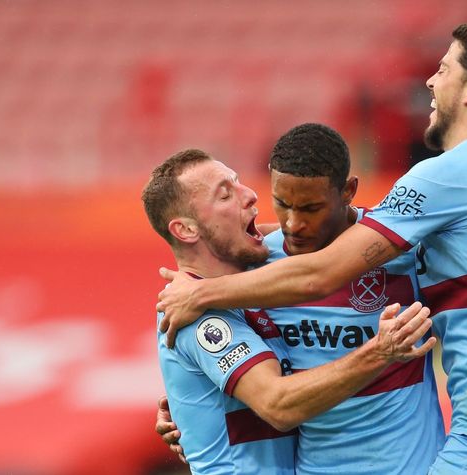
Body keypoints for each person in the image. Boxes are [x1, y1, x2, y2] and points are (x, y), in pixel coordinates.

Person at [157, 20, 467, 474]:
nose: (430, 81)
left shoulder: (452, 172)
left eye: (443, 69)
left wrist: (198, 293)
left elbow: (322, 271)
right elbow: (331, 236)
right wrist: (201, 410)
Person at [156, 124, 445, 474]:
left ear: (348, 191)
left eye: (310, 208)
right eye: (281, 204)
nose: (293, 225)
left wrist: (190, 407)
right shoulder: (260, 268)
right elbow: (271, 400)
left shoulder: (397, 249)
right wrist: (191, 410)